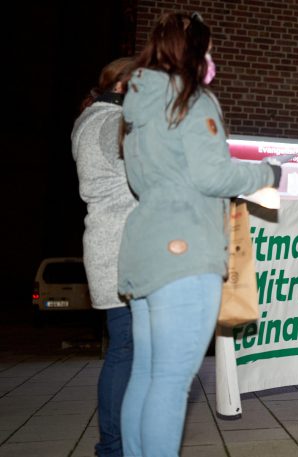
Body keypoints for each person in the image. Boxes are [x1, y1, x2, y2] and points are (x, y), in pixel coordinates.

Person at [117, 12, 281, 456]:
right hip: (185, 254)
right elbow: (211, 174)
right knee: (171, 384)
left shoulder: (138, 108)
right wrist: (268, 172)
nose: (211, 60)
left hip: (143, 249)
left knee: (147, 376)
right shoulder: (192, 98)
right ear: (191, 53)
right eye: (207, 51)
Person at [71, 57, 136, 457]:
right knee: (127, 350)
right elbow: (145, 176)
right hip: (122, 251)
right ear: (127, 85)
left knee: (125, 349)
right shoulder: (111, 123)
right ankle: (113, 447)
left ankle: (117, 443)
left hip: (110, 247)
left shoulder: (90, 119)